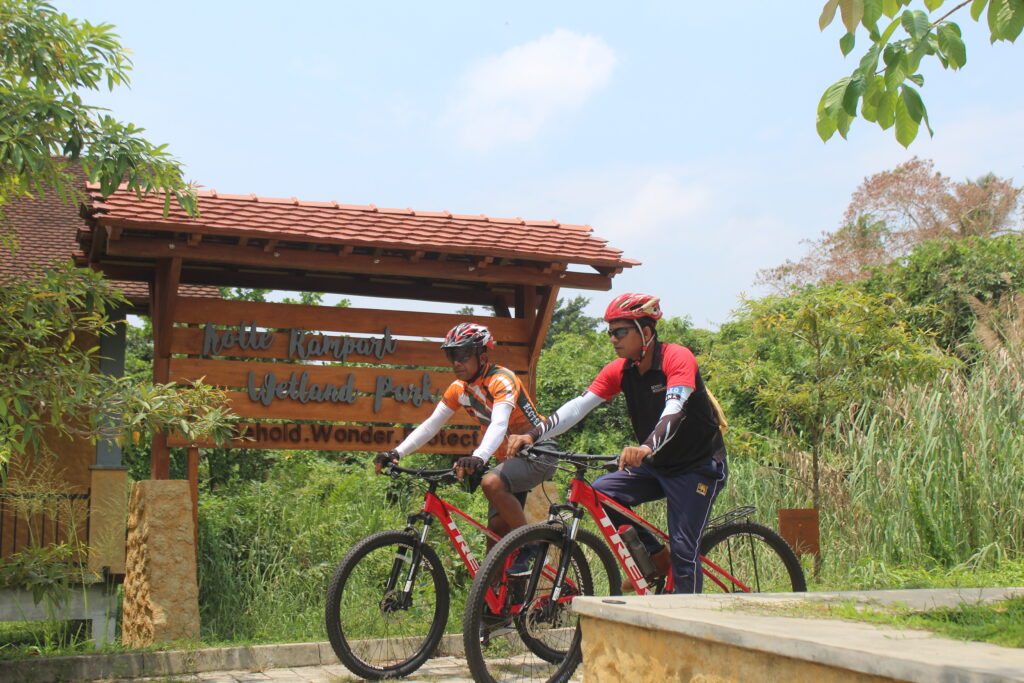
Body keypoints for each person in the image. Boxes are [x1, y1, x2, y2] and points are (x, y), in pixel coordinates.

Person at [506, 293, 728, 593]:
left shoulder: (677, 358)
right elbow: (578, 406)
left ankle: (689, 625)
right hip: (658, 466)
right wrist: (533, 434)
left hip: (697, 467)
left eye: (619, 331)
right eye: (610, 332)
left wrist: (646, 447)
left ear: (646, 332)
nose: (612, 339)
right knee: (601, 493)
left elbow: (674, 409)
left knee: (684, 550)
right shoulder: (621, 370)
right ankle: (655, 557)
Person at [374, 322, 556, 574]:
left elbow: (499, 423)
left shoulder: (501, 379)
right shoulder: (458, 389)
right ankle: (498, 607)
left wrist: (478, 457)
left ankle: (533, 549)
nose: (456, 362)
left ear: (482, 356)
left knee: (491, 483)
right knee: (495, 542)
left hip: (539, 452)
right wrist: (396, 453)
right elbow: (430, 425)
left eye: (462, 355)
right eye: (451, 356)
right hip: (509, 459)